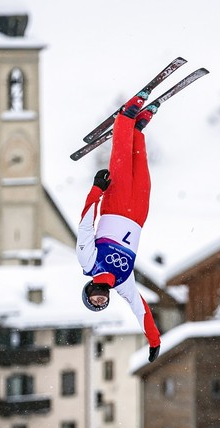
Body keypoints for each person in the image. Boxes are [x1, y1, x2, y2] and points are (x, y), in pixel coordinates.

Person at [77, 93, 161, 362]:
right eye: (102, 304)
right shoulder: (123, 283)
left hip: (115, 206)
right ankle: (137, 131)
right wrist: (153, 340)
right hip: (137, 215)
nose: (100, 300)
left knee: (122, 161)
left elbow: (85, 227)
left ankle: (126, 117)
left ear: (89, 291)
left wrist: (96, 191)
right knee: (141, 166)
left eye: (94, 301)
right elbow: (141, 310)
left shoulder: (88, 263)